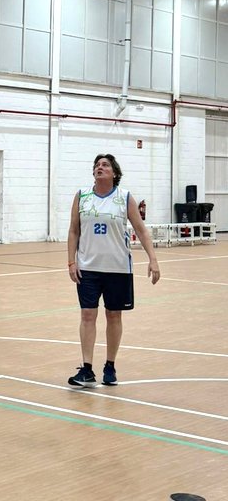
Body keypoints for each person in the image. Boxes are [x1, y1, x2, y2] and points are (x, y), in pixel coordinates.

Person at [66, 152, 160, 388]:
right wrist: (71, 261)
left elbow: (142, 229)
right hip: (88, 267)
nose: (100, 167)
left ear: (114, 172)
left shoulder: (124, 197)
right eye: (97, 165)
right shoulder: (82, 196)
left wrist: (153, 259)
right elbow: (73, 231)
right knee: (87, 315)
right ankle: (86, 369)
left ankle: (110, 366)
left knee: (113, 315)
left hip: (118, 268)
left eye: (105, 165)